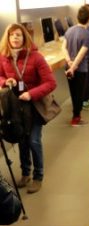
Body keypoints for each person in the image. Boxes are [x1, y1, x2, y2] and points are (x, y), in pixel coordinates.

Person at [0, 23, 56, 194]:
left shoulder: (36, 57)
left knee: (33, 140)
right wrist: (5, 81)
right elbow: (0, 75)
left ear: (24, 37)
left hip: (35, 105)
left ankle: (38, 176)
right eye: (12, 35)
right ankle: (26, 173)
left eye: (18, 35)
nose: (15, 38)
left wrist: (31, 94)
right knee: (22, 139)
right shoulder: (3, 57)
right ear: (7, 38)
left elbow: (51, 82)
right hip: (16, 106)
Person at [63, 6, 89, 127]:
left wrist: (69, 62)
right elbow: (81, 54)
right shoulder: (88, 35)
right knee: (79, 94)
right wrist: (73, 67)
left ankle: (75, 116)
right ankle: (76, 118)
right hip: (79, 69)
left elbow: (63, 48)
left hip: (68, 67)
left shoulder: (69, 30)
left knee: (73, 92)